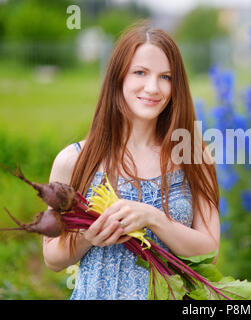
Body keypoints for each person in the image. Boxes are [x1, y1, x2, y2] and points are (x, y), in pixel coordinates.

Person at [42, 20, 221, 300]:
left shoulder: (195, 157)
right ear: (118, 77)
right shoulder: (74, 160)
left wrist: (154, 218)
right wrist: (88, 237)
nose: (153, 87)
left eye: (166, 77)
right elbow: (52, 258)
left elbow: (209, 252)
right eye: (140, 72)